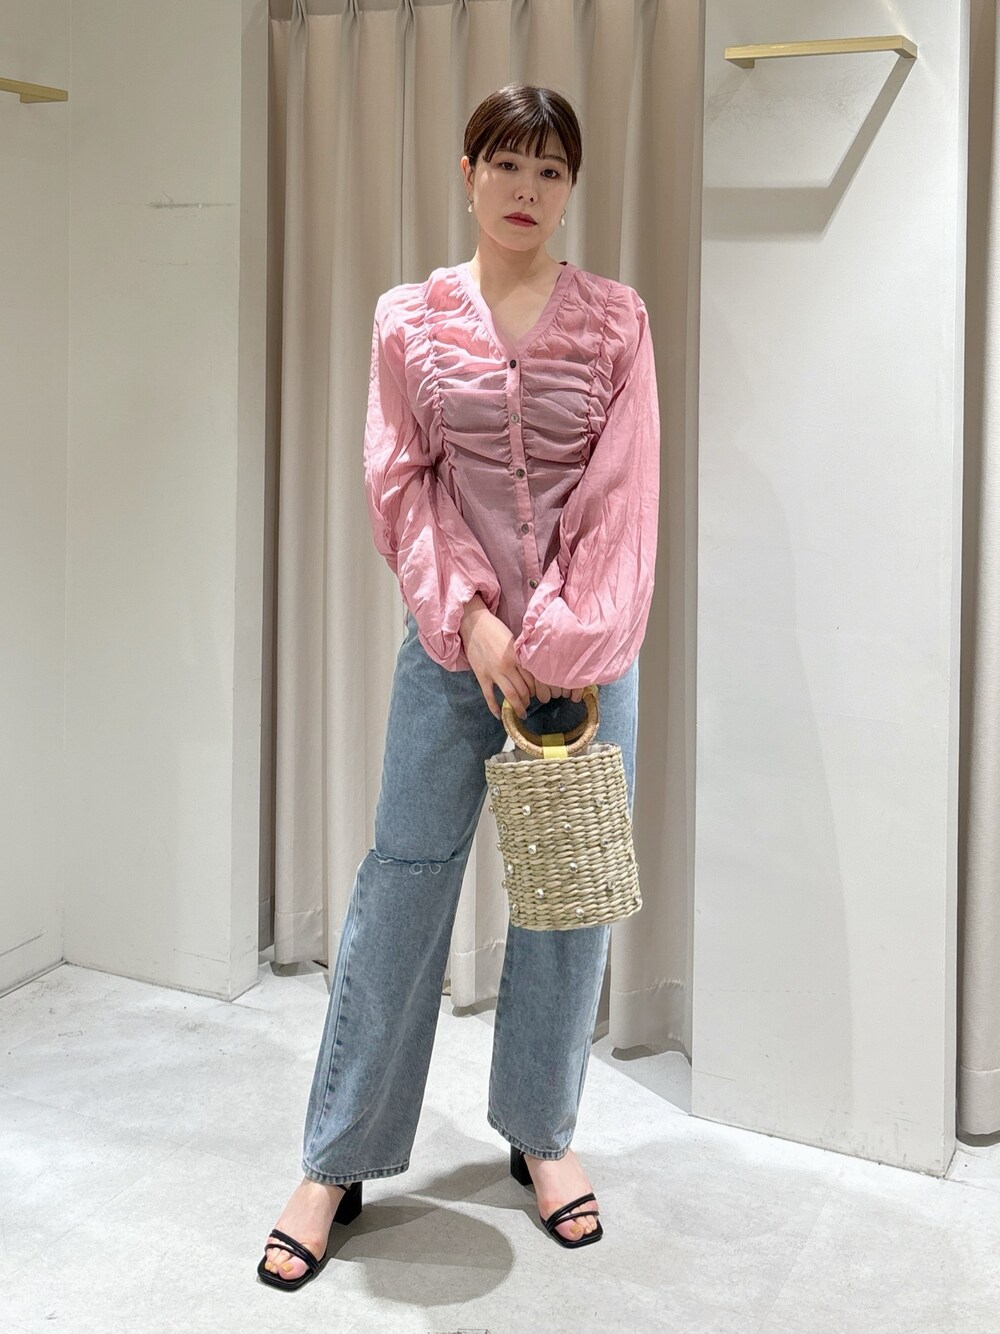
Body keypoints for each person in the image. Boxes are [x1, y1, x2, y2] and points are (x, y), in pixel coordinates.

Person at [257, 81, 660, 1292]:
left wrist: (555, 644)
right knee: (402, 887)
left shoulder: (617, 319)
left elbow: (623, 497)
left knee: (566, 902)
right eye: (507, 165)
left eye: (550, 170)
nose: (526, 189)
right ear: (468, 173)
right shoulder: (410, 320)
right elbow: (403, 481)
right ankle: (336, 1156)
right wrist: (477, 625)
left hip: (583, 665)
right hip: (450, 655)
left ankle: (541, 1132)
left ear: (570, 188)